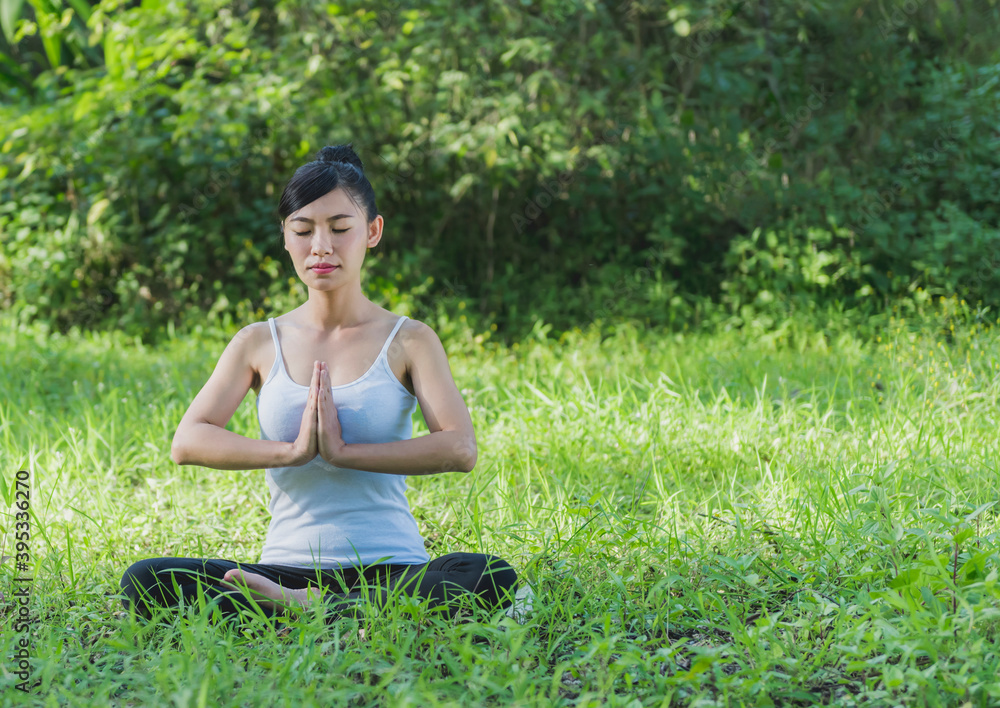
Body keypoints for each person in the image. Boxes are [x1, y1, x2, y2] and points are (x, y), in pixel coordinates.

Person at [120, 144, 518, 625]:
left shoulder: (409, 339)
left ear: (372, 232)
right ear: (285, 238)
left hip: (392, 569)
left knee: (487, 575)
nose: (321, 247)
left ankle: (306, 612)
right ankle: (322, 608)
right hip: (284, 569)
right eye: (304, 230)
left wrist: (344, 453)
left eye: (340, 228)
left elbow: (459, 448)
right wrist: (292, 451)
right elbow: (188, 441)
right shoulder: (258, 342)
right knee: (146, 578)